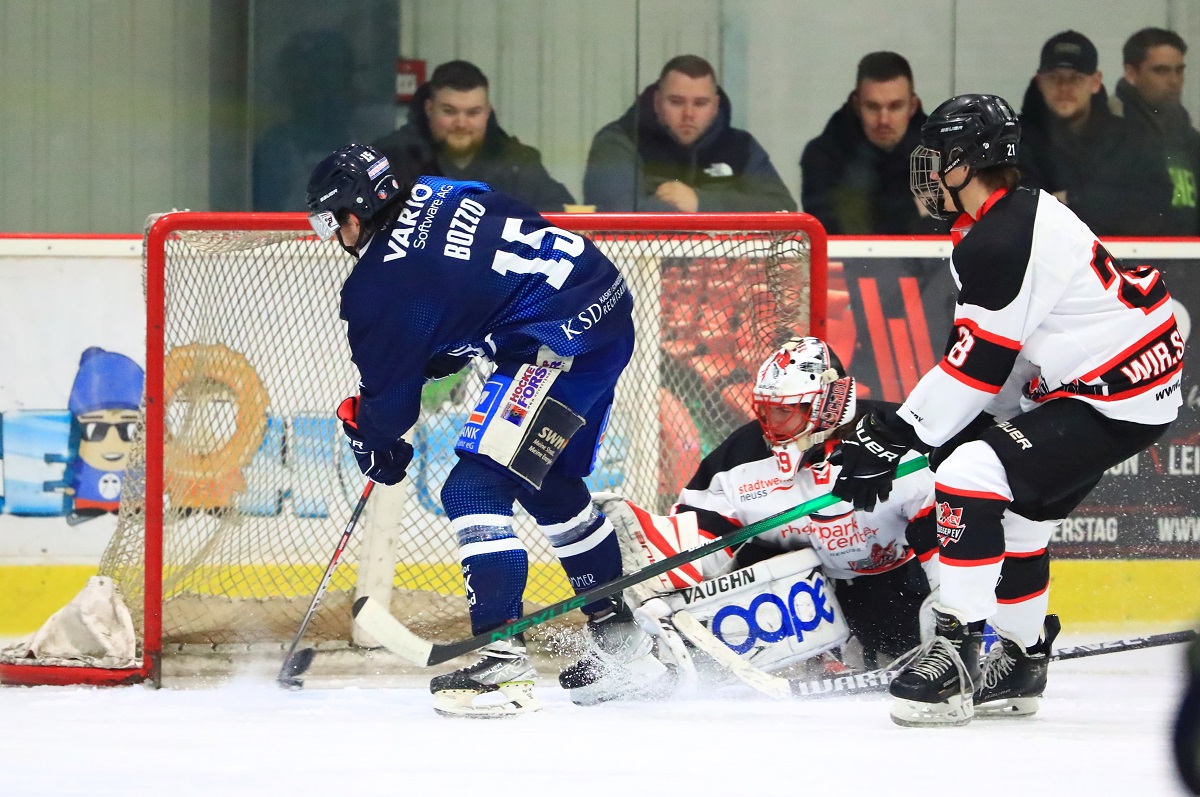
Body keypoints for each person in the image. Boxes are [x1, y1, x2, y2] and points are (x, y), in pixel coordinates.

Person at [831, 93, 1182, 727]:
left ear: (970, 161)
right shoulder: (1013, 217)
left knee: (967, 475)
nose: (930, 172)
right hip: (1114, 383)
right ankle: (1021, 664)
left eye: (939, 158)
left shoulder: (1001, 239)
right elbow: (996, 359)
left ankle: (956, 656)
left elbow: (978, 367)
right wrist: (922, 431)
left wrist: (896, 438)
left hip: (1113, 393)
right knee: (1016, 520)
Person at [304, 143, 668, 717]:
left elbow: (392, 412)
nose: (336, 238)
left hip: (553, 345)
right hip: (606, 311)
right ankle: (625, 647)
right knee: (545, 483)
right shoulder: (440, 190)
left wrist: (371, 440)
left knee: (471, 489)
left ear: (351, 216)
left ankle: (501, 664)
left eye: (330, 222)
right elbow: (471, 284)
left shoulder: (377, 287)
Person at [598, 337, 940, 683]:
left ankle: (934, 641)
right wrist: (661, 576)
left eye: (783, 412)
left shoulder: (899, 439)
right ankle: (636, 659)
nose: (769, 425)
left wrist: (952, 605)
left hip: (895, 583)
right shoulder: (737, 459)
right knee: (761, 559)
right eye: (765, 410)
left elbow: (949, 528)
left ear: (826, 404)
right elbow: (701, 540)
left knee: (912, 633)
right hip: (806, 597)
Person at [582, 55, 796, 212]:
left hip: (728, 269)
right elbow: (617, 211)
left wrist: (700, 203)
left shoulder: (741, 146)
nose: (689, 114)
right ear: (656, 102)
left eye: (700, 103)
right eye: (676, 102)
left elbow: (782, 209)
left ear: (715, 106)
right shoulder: (619, 141)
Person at [1018, 30, 1174, 236]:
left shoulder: (1133, 139)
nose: (1064, 87)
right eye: (1054, 77)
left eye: (1076, 78)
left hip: (1120, 262)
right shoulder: (1013, 141)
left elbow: (1156, 208)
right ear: (1039, 82)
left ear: (1095, 81)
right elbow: (1018, 212)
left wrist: (1074, 198)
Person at [372, 60, 575, 213]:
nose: (461, 124)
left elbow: (561, 217)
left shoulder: (519, 165)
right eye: (449, 111)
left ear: (488, 113)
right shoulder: (389, 160)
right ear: (429, 109)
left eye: (473, 112)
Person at [800, 52, 948, 235]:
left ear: (912, 106)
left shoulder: (944, 153)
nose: (883, 120)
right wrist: (916, 207)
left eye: (895, 107)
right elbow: (834, 230)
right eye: (873, 107)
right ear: (856, 105)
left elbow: (960, 227)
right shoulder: (822, 156)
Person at [1110, 27, 1200, 236]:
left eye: (1179, 70)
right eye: (1161, 71)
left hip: (1187, 257)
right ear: (1131, 73)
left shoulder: (1186, 135)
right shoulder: (1111, 126)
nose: (1174, 81)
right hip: (1132, 256)